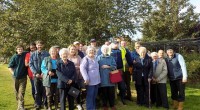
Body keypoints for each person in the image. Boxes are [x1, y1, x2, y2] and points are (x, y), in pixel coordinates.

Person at [29, 40, 49, 109]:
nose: (39, 46)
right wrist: (35, 73)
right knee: (37, 91)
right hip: (36, 75)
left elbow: (48, 64)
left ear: (42, 46)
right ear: (36, 46)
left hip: (45, 75)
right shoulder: (33, 54)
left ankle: (45, 104)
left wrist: (44, 72)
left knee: (44, 90)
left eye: (40, 45)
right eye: (38, 45)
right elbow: (30, 64)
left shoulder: (47, 54)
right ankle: (38, 104)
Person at [97, 45, 117, 110]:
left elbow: (114, 67)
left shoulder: (111, 58)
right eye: (104, 49)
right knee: (104, 93)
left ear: (108, 50)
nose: (105, 50)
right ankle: (105, 105)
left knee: (111, 93)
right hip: (102, 78)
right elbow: (96, 67)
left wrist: (108, 66)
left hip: (111, 78)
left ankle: (112, 105)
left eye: (106, 49)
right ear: (102, 50)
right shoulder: (98, 58)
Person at [8, 45, 28, 110]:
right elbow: (10, 67)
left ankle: (21, 106)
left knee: (21, 92)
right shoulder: (14, 57)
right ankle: (18, 102)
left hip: (23, 77)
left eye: (21, 49)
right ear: (16, 50)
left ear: (23, 49)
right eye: (19, 49)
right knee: (16, 91)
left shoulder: (25, 54)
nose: (20, 50)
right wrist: (13, 73)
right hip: (15, 78)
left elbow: (31, 51)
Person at [68, 44, 83, 110]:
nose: (73, 50)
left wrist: (79, 67)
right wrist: (76, 67)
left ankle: (78, 103)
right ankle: (72, 103)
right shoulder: (67, 57)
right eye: (71, 49)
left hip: (78, 76)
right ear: (69, 50)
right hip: (70, 76)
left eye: (74, 49)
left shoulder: (78, 57)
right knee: (71, 90)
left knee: (77, 90)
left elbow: (82, 65)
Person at [25, 42, 37, 106]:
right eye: (31, 47)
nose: (32, 48)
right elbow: (26, 64)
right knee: (34, 88)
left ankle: (41, 101)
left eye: (33, 47)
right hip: (31, 74)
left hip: (40, 74)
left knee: (40, 88)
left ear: (36, 47)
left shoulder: (39, 53)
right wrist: (32, 63)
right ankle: (36, 101)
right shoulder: (28, 54)